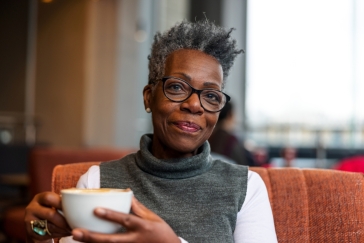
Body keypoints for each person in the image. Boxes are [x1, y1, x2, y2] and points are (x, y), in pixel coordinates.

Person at [24, 20, 277, 243]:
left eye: (211, 95)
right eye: (177, 87)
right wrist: (41, 236)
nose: (194, 104)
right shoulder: (98, 182)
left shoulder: (245, 187)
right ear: (149, 98)